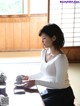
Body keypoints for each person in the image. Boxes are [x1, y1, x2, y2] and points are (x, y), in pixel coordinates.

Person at [23, 23, 75, 106]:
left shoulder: (61, 58)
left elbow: (59, 84)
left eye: (44, 38)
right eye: (41, 38)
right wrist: (29, 77)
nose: (42, 41)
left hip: (62, 94)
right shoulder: (44, 52)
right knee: (29, 99)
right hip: (50, 91)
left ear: (53, 38)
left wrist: (36, 82)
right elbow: (43, 73)